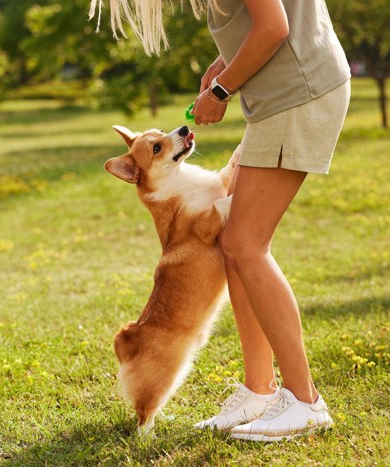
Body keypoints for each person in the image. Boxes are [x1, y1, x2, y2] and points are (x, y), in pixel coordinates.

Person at [90, 0, 351, 441]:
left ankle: (305, 402)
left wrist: (221, 91)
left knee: (246, 246)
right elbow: (262, 21)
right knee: (233, 244)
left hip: (297, 93)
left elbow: (273, 27)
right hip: (281, 95)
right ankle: (259, 390)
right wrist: (227, 60)